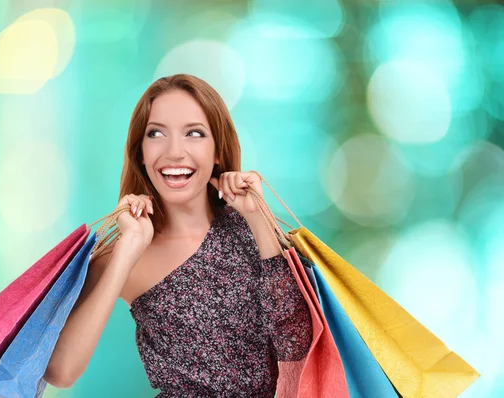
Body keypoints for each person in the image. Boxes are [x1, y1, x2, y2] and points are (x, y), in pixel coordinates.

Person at [44, 74, 312, 397]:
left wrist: (259, 221)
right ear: (140, 152)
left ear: (217, 151)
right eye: (156, 133)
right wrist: (128, 250)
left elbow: (298, 349)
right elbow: (60, 370)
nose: (174, 152)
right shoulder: (124, 249)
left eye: (194, 134)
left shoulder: (253, 230)